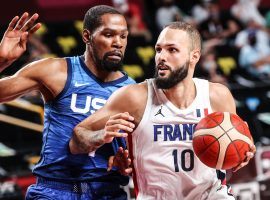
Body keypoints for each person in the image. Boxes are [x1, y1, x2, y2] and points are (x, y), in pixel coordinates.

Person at [70, 21, 256, 199]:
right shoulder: (135, 97)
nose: (161, 57)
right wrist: (102, 135)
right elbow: (78, 137)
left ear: (194, 56)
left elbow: (239, 143)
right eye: (158, 49)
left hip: (212, 195)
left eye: (172, 49)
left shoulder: (217, 95)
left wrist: (243, 153)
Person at [0, 5, 135, 200]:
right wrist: (2, 60)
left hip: (107, 192)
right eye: (108, 34)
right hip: (54, 191)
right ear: (87, 36)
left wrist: (127, 165)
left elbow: (131, 155)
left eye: (123, 36)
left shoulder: (132, 91)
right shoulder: (54, 71)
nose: (118, 43)